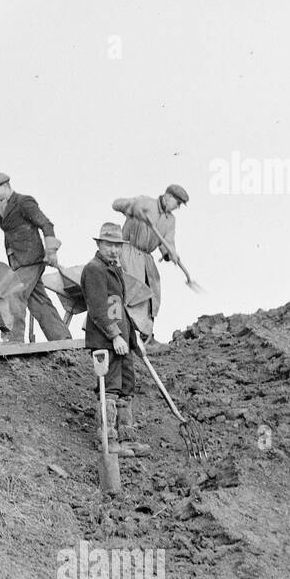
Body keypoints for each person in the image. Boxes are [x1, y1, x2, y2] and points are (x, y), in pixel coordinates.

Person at [80, 222, 150, 458]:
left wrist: (132, 336)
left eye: (117, 246)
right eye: (109, 245)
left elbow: (120, 307)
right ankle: (108, 440)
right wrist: (115, 335)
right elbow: (98, 309)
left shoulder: (115, 269)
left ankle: (126, 439)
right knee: (109, 389)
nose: (113, 250)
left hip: (122, 341)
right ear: (99, 244)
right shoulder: (94, 270)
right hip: (105, 341)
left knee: (126, 387)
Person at [0, 172, 71, 342]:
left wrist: (51, 251)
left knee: (13, 292)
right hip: (17, 261)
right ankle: (62, 338)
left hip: (32, 259)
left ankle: (14, 339)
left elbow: (46, 224)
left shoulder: (24, 202)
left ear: (6, 186)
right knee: (39, 301)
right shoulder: (2, 209)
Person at [110, 184, 189, 332]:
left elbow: (168, 242)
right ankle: (125, 333)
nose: (178, 207)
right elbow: (116, 204)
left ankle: (146, 335)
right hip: (127, 252)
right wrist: (133, 209)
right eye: (178, 203)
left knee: (151, 295)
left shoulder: (170, 220)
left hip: (146, 259)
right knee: (131, 293)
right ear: (168, 197)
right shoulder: (145, 202)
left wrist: (171, 254)